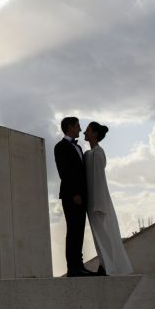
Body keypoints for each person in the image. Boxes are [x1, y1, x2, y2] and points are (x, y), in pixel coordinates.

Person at [83, 121, 133, 276]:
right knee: (100, 235)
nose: (84, 132)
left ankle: (108, 266)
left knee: (104, 235)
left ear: (94, 133)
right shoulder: (89, 154)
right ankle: (105, 265)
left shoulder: (98, 153)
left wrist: (98, 204)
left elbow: (99, 180)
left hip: (97, 201)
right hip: (93, 201)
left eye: (87, 130)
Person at [54, 116, 94, 277]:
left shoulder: (78, 147)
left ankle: (79, 265)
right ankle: (73, 268)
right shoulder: (60, 147)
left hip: (82, 196)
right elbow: (64, 172)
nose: (80, 129)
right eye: (77, 126)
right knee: (73, 230)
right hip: (72, 196)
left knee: (79, 231)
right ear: (70, 127)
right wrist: (75, 194)